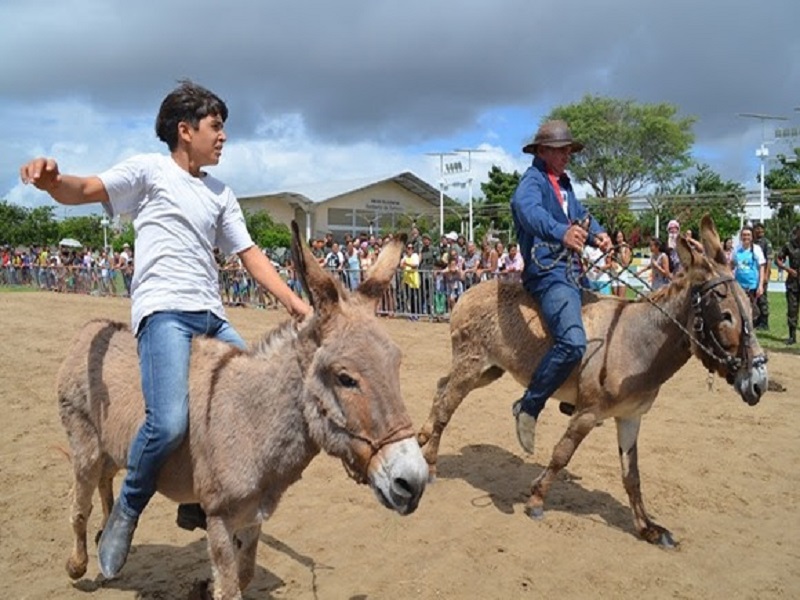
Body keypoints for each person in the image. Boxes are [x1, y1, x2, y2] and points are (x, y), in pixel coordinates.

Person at [18, 80, 311, 579]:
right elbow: (85, 189)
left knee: (260, 396)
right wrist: (51, 181)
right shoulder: (148, 171)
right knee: (170, 421)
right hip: (164, 313)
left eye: (224, 128)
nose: (223, 137)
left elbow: (250, 255)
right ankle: (126, 512)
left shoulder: (221, 193)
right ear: (185, 130)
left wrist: (295, 305)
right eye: (216, 127)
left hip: (211, 315)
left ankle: (195, 503)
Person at [509, 120, 611, 454]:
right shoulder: (532, 182)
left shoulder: (564, 184)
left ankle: (573, 397)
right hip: (548, 274)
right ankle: (529, 406)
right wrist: (560, 231)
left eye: (569, 149)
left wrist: (599, 234)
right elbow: (526, 211)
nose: (568, 154)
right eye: (561, 149)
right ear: (542, 151)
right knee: (572, 341)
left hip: (572, 272)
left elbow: (581, 215)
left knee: (606, 334)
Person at [731, 226, 766, 320]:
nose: (746, 237)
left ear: (752, 237)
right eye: (744, 235)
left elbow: (761, 267)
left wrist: (760, 285)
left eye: (748, 235)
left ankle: (750, 330)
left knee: (751, 311)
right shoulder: (736, 249)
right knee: (738, 309)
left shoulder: (756, 249)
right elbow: (732, 264)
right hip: (738, 285)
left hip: (752, 286)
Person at [775, 225, 800, 345]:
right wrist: (787, 269)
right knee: (792, 309)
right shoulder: (788, 245)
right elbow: (778, 259)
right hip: (793, 281)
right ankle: (792, 336)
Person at [753, 222, 773, 330]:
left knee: (762, 298)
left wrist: (766, 275)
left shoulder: (766, 243)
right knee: (754, 297)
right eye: (757, 229)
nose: (759, 231)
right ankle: (757, 320)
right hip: (753, 274)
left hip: (762, 274)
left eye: (761, 229)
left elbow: (769, 260)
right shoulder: (752, 242)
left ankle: (764, 322)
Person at [610, 230, 633, 298]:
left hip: (622, 274)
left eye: (621, 237)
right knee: (614, 298)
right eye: (618, 237)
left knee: (621, 298)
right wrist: (612, 263)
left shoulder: (626, 247)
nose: (619, 239)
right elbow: (609, 259)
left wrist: (622, 251)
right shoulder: (613, 247)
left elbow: (626, 263)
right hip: (614, 273)